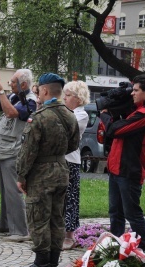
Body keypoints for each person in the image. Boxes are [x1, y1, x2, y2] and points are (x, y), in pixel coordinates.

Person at [16, 73, 80, 267]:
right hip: (62, 169)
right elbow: (74, 144)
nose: (37, 94)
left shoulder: (40, 116)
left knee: (38, 217)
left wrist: (21, 176)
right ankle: (53, 258)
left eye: (38, 90)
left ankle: (41, 262)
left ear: (44, 90)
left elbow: (28, 151)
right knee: (56, 216)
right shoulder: (70, 114)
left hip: (41, 173)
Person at [106, 72, 145, 252]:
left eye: (136, 90)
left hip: (129, 171)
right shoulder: (136, 112)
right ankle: (116, 247)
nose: (132, 93)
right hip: (117, 169)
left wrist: (107, 116)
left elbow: (114, 131)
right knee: (115, 213)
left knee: (132, 214)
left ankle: (143, 250)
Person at [0, 68, 36, 242]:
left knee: (13, 191)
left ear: (23, 84)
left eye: (12, 82)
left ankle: (20, 231)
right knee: (4, 190)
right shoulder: (15, 97)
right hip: (5, 150)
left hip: (14, 151)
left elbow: (11, 113)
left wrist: (1, 90)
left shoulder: (30, 101)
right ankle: (5, 224)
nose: (9, 85)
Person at [61, 80, 90, 250]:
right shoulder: (66, 112)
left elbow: (65, 129)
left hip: (70, 160)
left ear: (78, 99)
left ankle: (69, 235)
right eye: (64, 94)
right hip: (59, 159)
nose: (64, 98)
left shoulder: (81, 114)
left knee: (70, 197)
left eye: (68, 95)